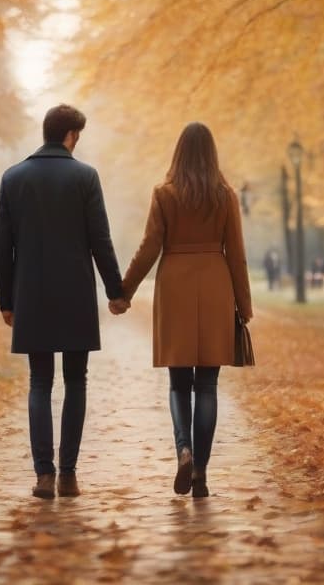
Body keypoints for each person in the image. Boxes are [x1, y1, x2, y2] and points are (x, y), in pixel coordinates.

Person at [0, 104, 129, 500]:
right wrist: (115, 291)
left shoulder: (13, 178)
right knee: (75, 381)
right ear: (71, 135)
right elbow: (99, 239)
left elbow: (3, 245)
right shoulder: (85, 177)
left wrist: (6, 299)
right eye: (78, 135)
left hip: (31, 293)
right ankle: (68, 474)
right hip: (74, 294)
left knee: (39, 382)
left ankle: (43, 476)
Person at [121, 122, 252, 499]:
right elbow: (237, 254)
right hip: (215, 284)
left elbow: (149, 247)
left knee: (179, 383)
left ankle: (184, 449)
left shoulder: (164, 194)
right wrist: (243, 305)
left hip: (175, 285)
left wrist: (124, 291)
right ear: (212, 154)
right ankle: (201, 475)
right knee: (207, 385)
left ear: (178, 153)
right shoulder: (225, 196)